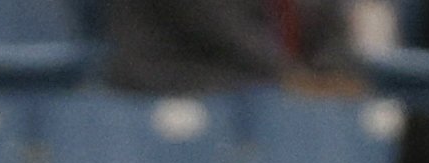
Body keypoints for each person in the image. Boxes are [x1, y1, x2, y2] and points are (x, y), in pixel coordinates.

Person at [101, 0, 359, 93]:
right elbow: (216, 25)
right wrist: (295, 78)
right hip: (174, 89)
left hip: (275, 96)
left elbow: (325, 25)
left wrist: (334, 73)